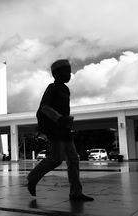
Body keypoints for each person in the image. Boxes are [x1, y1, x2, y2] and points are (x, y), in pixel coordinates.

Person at [27, 59, 94, 201]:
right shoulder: (52, 88)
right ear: (56, 74)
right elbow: (45, 107)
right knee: (56, 159)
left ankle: (76, 193)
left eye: (70, 71)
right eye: (67, 72)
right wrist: (59, 119)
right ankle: (32, 178)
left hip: (64, 129)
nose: (70, 75)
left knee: (73, 159)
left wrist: (66, 122)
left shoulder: (65, 89)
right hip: (55, 129)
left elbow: (64, 110)